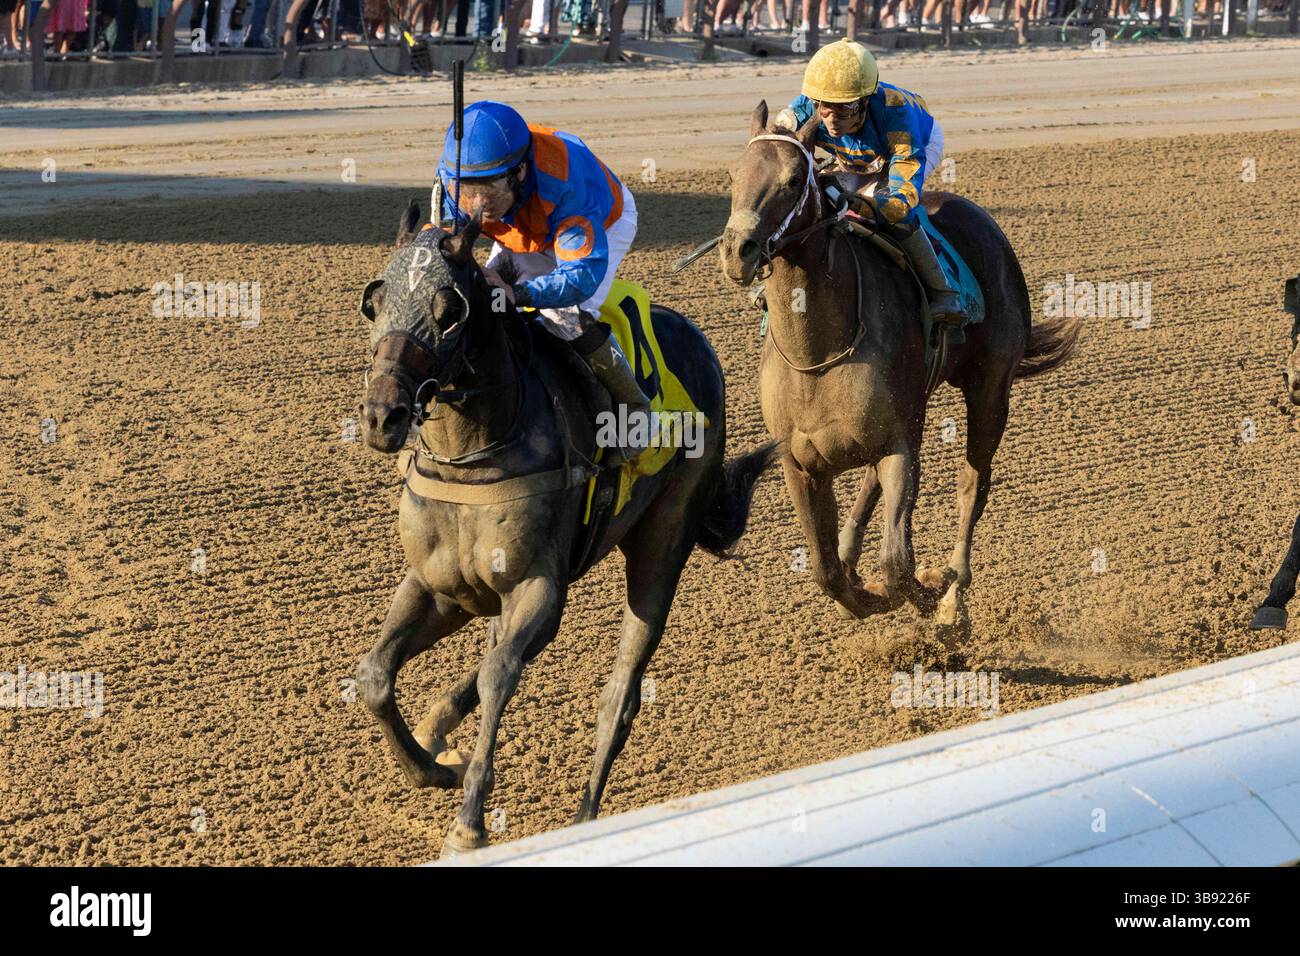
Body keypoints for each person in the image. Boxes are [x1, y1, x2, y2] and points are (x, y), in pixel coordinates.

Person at [433, 101, 652, 461]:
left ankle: (634, 408)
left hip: (602, 221)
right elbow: (442, 245)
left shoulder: (567, 183)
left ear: (519, 172)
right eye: (467, 189)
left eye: (487, 189)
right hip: (522, 225)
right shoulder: (454, 175)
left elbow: (578, 277)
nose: (476, 204)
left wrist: (516, 293)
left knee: (562, 317)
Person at [779, 38, 967, 324]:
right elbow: (778, 143)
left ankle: (943, 291)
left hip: (913, 147)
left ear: (865, 100)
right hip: (855, 154)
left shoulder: (895, 109)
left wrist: (881, 203)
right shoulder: (807, 106)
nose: (831, 118)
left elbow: (905, 170)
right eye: (824, 108)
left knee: (893, 212)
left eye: (844, 109)